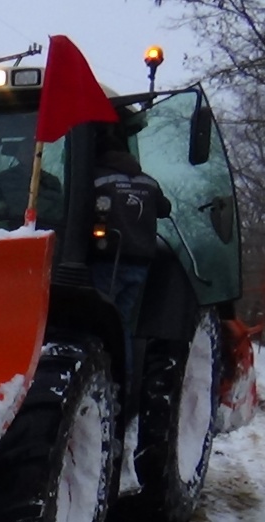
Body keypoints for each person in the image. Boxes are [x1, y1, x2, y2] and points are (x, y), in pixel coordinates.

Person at [89, 140, 172, 369]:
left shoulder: (97, 178)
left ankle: (99, 370)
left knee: (98, 322)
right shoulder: (149, 182)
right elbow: (165, 209)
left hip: (109, 263)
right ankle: (122, 375)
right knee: (122, 322)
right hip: (141, 264)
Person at [0, 140, 63, 225]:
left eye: (33, 151)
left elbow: (58, 211)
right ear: (18, 155)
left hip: (45, 228)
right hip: (9, 229)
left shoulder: (51, 182)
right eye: (25, 151)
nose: (30, 155)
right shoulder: (3, 179)